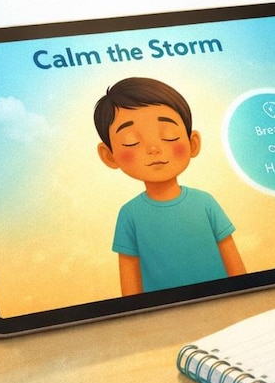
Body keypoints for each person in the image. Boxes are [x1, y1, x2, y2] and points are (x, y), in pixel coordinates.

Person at [94, 77, 246, 294]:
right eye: (130, 141)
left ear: (192, 143)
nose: (154, 148)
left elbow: (232, 260)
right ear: (109, 156)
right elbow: (130, 277)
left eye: (169, 135)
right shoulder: (130, 214)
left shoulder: (205, 202)